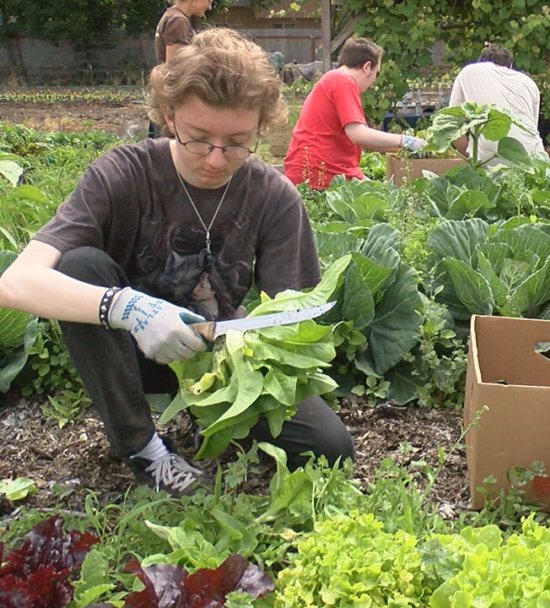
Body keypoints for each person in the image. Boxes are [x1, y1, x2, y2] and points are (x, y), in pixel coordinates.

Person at [0, 28, 355, 496]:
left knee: (331, 449)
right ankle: (143, 448)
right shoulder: (122, 175)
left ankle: (209, 409)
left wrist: (249, 356)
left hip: (224, 356)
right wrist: (129, 308)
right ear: (169, 116)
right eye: (199, 137)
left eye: (236, 142)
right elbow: (16, 282)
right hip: (131, 350)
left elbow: (293, 317)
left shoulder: (274, 197)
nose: (214, 158)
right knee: (80, 265)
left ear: (260, 129)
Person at [283, 37, 427, 190]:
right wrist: (407, 141)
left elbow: (364, 141)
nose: (374, 81)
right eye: (376, 73)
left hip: (314, 170)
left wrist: (406, 148)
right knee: (389, 202)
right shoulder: (343, 81)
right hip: (319, 173)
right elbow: (358, 135)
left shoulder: (334, 79)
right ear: (366, 67)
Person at [447, 43, 546, 165]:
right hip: (533, 157)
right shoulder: (529, 83)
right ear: (510, 66)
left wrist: (470, 156)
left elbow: (452, 124)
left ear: (481, 62)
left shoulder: (469, 72)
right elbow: (529, 127)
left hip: (489, 160)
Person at [149, 0, 211, 138]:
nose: (210, 6)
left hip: (164, 95)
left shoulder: (172, 17)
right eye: (209, 0)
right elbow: (176, 68)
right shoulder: (178, 22)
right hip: (172, 99)